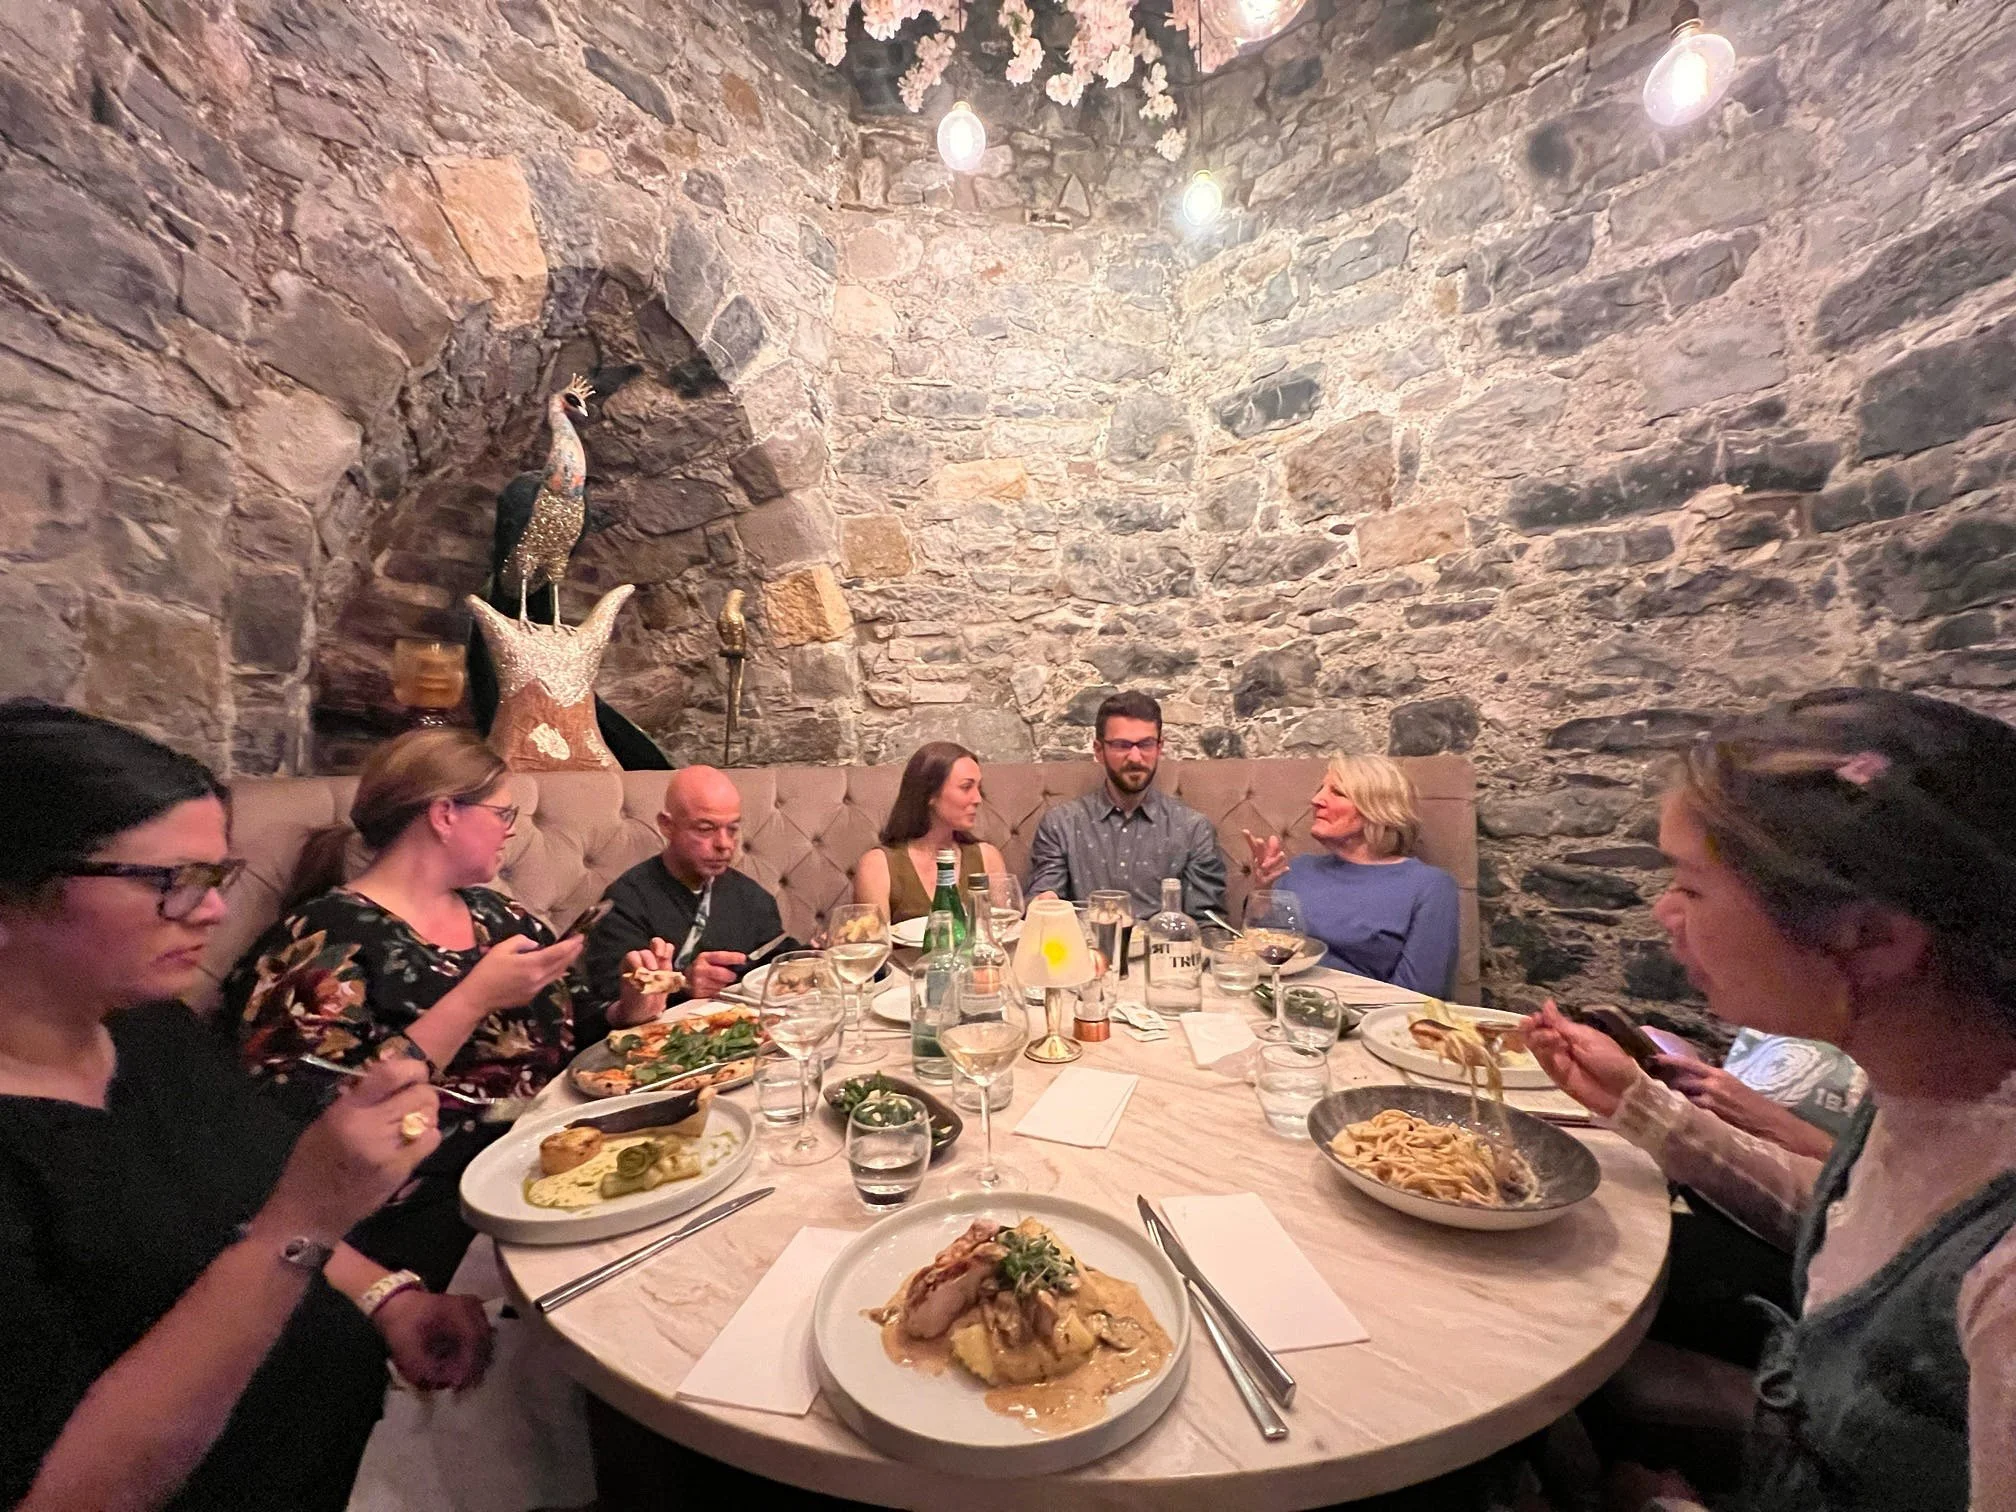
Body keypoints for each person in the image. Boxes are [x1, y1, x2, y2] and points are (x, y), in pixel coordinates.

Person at [1521, 688, 2016, 1512]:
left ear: (1874, 936)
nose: (1663, 913)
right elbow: (1848, 1220)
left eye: (1691, 888)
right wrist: (1641, 1106)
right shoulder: (1936, 1096)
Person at [0, 701, 491, 1512]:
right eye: (168, 882)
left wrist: (389, 1297)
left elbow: (244, 1203)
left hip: (366, 1433)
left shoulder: (151, 1033)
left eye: (215, 876)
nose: (214, 911)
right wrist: (304, 1218)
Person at [224, 728, 583, 1289]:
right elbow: (304, 1116)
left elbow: (578, 1028)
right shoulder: (325, 938)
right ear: (444, 814)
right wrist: (473, 998)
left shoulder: (500, 915)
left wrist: (633, 1006)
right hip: (435, 1204)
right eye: (501, 813)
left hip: (559, 1151)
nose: (509, 831)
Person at [578, 766, 787, 1041]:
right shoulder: (625, 901)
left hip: (747, 1044)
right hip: (656, 1055)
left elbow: (776, 970)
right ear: (667, 825)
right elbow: (611, 1007)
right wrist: (683, 985)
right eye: (705, 829)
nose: (725, 844)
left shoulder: (753, 899)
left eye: (732, 829)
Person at [1248, 753, 1460, 998]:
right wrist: (1263, 889)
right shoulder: (1298, 869)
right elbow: (1261, 960)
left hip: (1366, 1023)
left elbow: (1419, 995)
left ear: (1378, 808)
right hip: (1280, 1010)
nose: (1316, 800)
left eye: (1337, 792)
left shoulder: (1430, 887)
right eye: (1320, 790)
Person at [1026, 691, 1226, 920]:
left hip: (1163, 951)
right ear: (1099, 751)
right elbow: (1044, 907)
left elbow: (1207, 922)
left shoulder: (1193, 829)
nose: (1135, 757)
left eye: (1145, 744)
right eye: (1122, 745)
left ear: (1159, 748)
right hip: (1086, 950)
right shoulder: (1061, 824)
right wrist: (1043, 902)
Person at [853, 742, 1008, 925]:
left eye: (978, 788)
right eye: (966, 787)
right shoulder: (878, 865)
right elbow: (873, 942)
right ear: (930, 794)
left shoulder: (987, 857)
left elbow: (1004, 932)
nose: (978, 799)